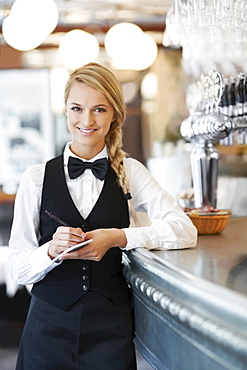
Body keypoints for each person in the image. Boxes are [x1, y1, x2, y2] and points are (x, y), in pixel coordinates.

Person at [8, 62, 197, 370]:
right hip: (47, 330)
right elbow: (17, 268)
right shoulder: (36, 178)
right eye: (77, 108)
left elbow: (184, 230)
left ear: (114, 116)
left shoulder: (131, 172)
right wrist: (50, 253)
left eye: (99, 109)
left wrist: (120, 237)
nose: (86, 119)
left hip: (110, 330)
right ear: (66, 112)